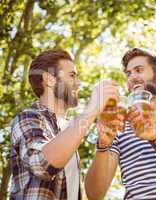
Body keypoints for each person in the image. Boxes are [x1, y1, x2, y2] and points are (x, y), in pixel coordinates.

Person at [85, 48, 156, 199]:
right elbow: (94, 195)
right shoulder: (120, 127)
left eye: (138, 70)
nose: (132, 77)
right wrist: (103, 145)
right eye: (128, 73)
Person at [10, 49, 119, 199]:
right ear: (49, 79)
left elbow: (94, 196)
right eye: (72, 75)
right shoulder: (28, 117)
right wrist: (92, 109)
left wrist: (103, 145)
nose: (78, 83)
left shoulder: (68, 132)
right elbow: (42, 165)